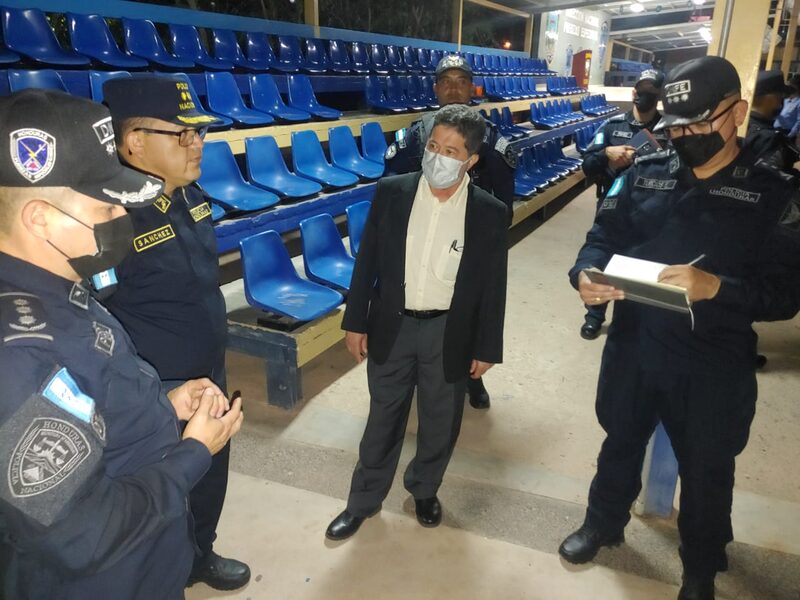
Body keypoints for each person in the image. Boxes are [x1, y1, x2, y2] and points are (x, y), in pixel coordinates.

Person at [559, 56, 800, 600]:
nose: (686, 137)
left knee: (708, 466)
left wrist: (719, 289)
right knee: (619, 440)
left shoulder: (774, 194)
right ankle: (603, 523)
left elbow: (787, 294)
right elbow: (603, 234)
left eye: (699, 124)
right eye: (678, 127)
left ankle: (699, 565)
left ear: (736, 114)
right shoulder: (646, 170)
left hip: (712, 359)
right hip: (635, 345)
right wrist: (585, 274)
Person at [0, 89, 243, 599]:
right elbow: (80, 535)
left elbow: (91, 395)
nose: (120, 220)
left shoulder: (58, 286)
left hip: (145, 556)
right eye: (105, 209)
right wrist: (192, 454)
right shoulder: (16, 353)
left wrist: (164, 400)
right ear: (39, 219)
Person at [325, 105, 508, 541]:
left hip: (449, 331)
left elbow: (493, 286)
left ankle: (425, 489)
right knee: (383, 415)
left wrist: (487, 348)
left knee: (440, 419)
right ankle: (363, 499)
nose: (437, 157)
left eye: (451, 151)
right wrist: (355, 321)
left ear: (471, 161)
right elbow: (366, 257)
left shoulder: (488, 212)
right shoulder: (393, 191)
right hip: (394, 324)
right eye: (433, 146)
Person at [101, 76, 250, 591]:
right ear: (134, 140)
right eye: (180, 135)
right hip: (157, 387)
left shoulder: (190, 197)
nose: (197, 144)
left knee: (210, 471)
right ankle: (163, 569)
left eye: (199, 133)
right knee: (165, 485)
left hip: (207, 366)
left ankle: (198, 554)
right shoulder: (109, 217)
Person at [384, 54, 515, 410]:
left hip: (469, 242)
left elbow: (503, 195)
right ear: (436, 89)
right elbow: (391, 187)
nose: (454, 88)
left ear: (472, 88)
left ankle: (473, 378)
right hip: (424, 240)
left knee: (469, 313)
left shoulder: (491, 138)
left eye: (462, 81)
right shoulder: (416, 135)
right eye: (447, 81)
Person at [578, 68, 667, 340]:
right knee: (603, 260)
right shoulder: (612, 126)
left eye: (652, 92)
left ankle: (637, 320)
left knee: (644, 264)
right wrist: (606, 154)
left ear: (659, 96)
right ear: (633, 92)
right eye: (641, 90)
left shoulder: (670, 130)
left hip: (654, 208)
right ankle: (594, 315)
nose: (644, 96)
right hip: (611, 206)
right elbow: (587, 167)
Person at [745, 69, 799, 176]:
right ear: (770, 98)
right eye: (780, 97)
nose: (781, 103)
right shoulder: (768, 138)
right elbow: (772, 181)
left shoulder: (742, 123)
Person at [773, 74, 800, 140]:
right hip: (776, 129)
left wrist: (790, 135)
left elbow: (799, 121)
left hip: (786, 132)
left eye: (790, 87)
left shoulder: (798, 102)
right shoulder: (785, 100)